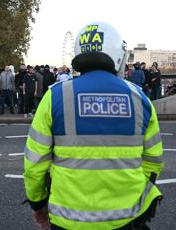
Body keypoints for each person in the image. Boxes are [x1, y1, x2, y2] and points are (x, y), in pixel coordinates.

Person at [24, 22, 163, 230]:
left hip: (67, 219)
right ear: (116, 53)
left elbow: (34, 164)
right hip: (125, 217)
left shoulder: (55, 96)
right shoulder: (139, 98)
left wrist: (38, 204)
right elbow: (153, 162)